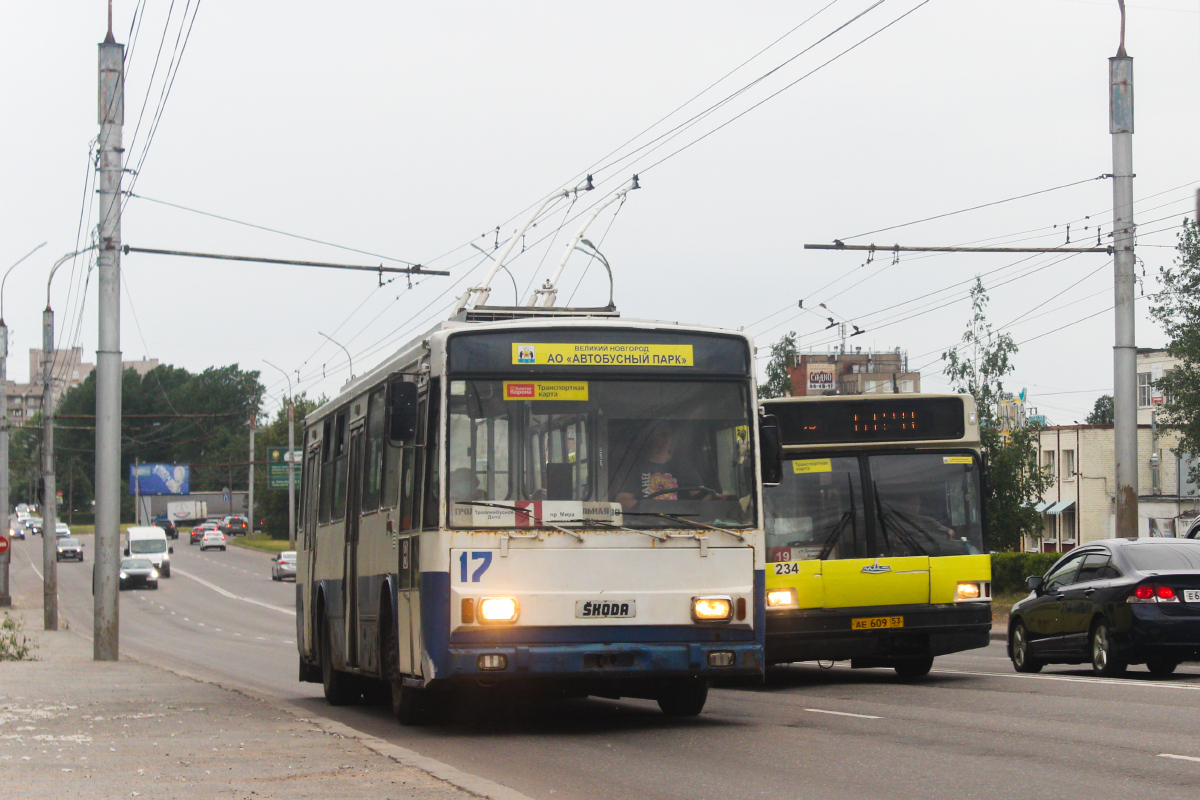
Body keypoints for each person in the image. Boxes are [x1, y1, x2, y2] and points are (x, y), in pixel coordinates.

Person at [614, 423, 710, 511]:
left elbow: (701, 497)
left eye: (668, 435)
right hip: (643, 522)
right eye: (661, 435)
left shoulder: (683, 465)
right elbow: (622, 501)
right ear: (650, 437)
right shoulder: (635, 467)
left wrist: (714, 498)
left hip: (680, 522)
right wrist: (651, 508)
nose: (666, 438)